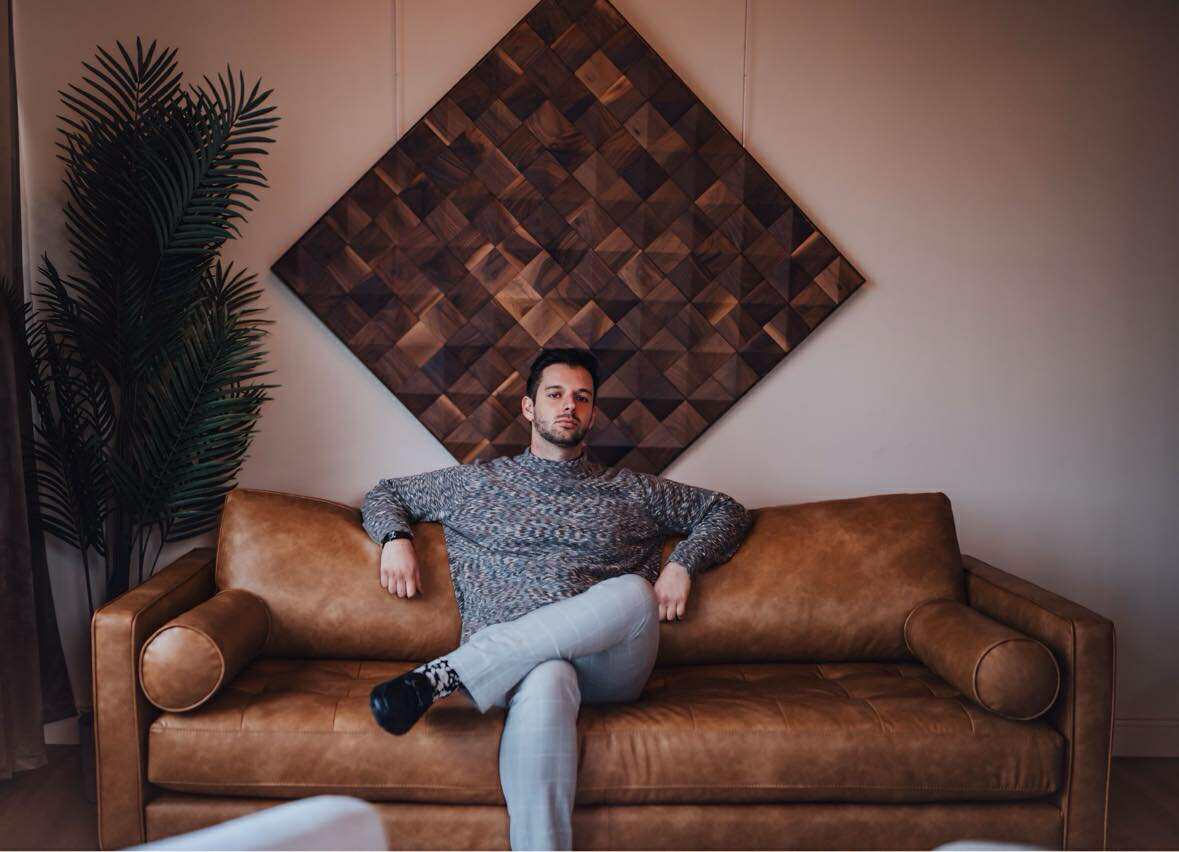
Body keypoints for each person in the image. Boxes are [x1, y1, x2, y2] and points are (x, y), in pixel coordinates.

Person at [361, 346, 752, 850]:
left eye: (582, 397)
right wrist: (396, 539)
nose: (569, 405)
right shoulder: (476, 483)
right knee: (548, 672)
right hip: (517, 673)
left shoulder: (631, 490)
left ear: (592, 414)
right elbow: (385, 493)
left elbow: (727, 511)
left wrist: (682, 564)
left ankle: (447, 674)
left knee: (635, 593)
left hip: (608, 665)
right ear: (529, 407)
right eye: (555, 394)